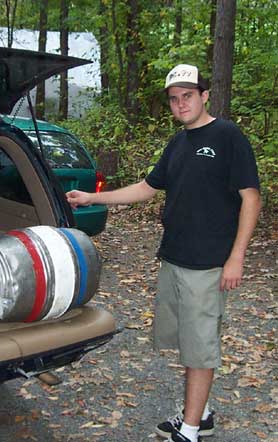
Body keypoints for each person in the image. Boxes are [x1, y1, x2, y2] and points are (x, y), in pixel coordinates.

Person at [66, 64, 261, 442]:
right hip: (174, 258)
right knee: (185, 342)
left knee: (200, 349)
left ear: (205, 96)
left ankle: (188, 432)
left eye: (188, 95)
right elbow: (147, 187)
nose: (181, 103)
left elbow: (251, 198)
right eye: (174, 98)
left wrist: (237, 257)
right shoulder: (178, 142)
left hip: (208, 264)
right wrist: (93, 197)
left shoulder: (227, 135)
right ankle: (200, 415)